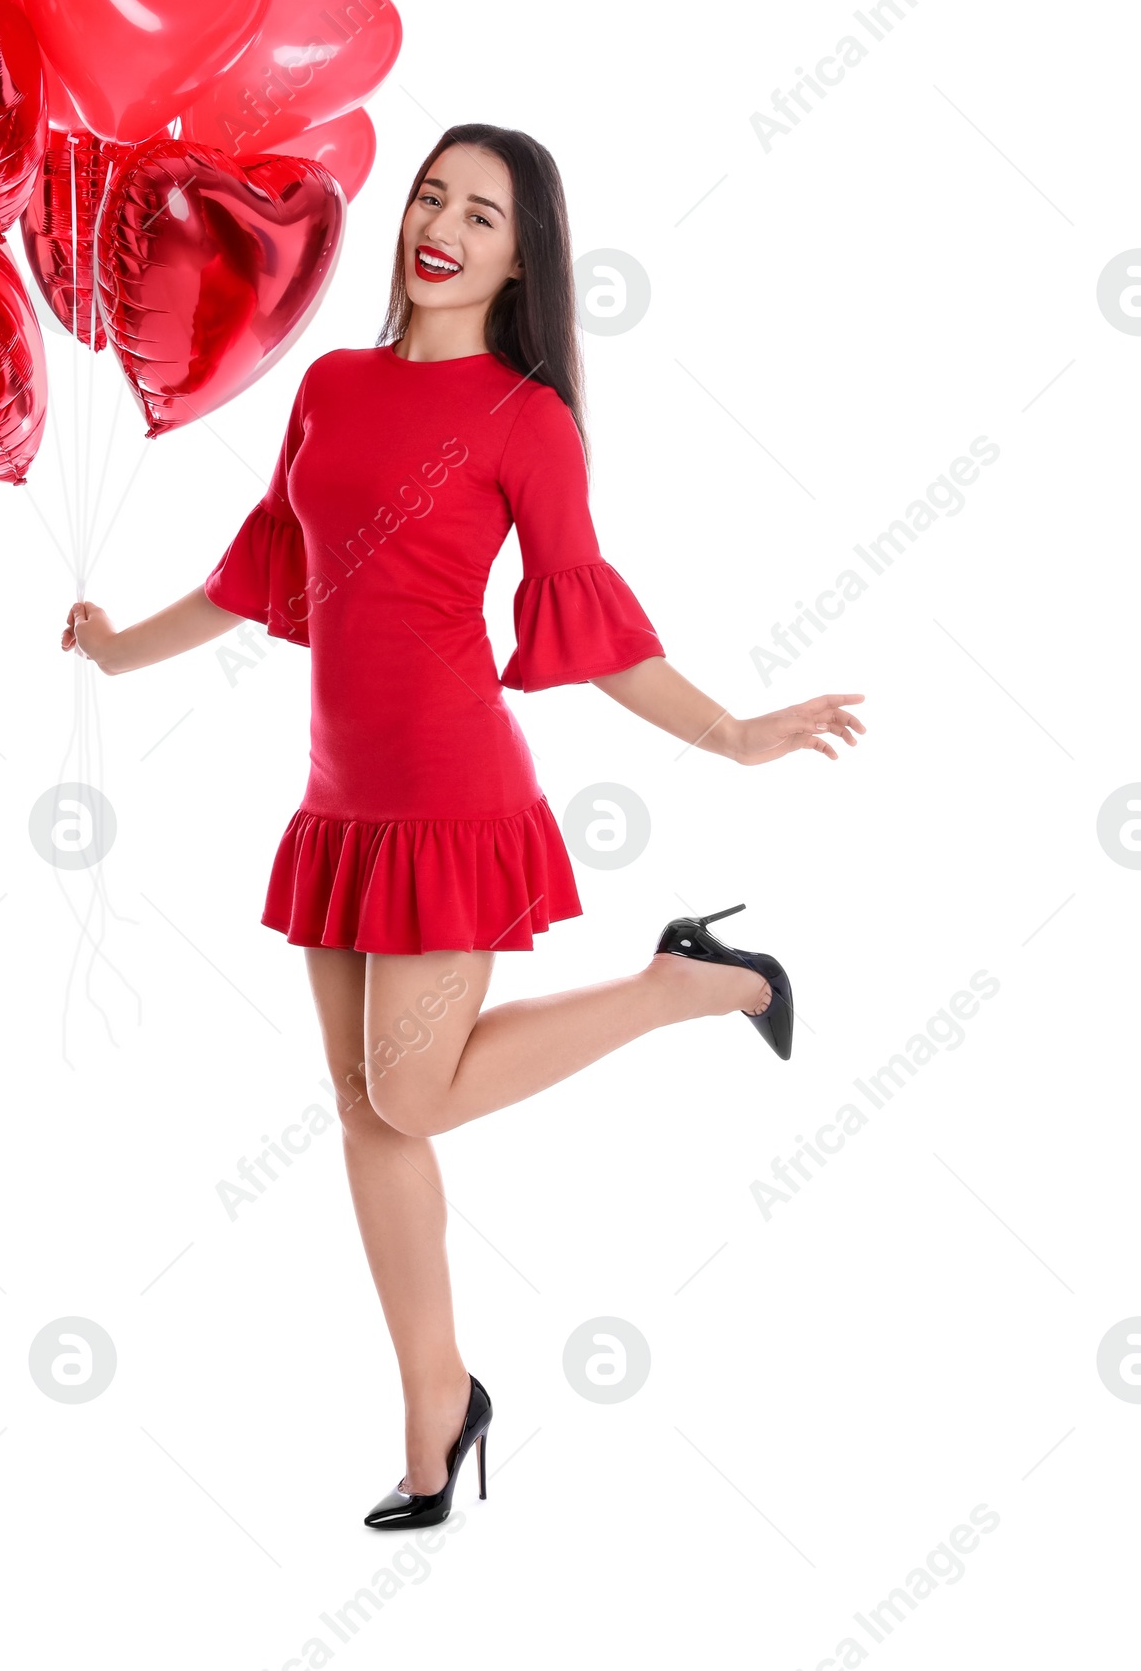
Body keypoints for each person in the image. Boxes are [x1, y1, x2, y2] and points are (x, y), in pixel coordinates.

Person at [62, 123, 865, 1530]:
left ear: (520, 257)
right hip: (340, 797)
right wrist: (121, 649)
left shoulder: (526, 420)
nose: (441, 224)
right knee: (369, 1109)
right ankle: (438, 1406)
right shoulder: (331, 381)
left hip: (449, 789)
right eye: (432, 195)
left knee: (411, 1095)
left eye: (482, 214)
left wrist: (737, 731)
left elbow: (589, 620)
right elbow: (266, 565)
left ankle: (688, 983)